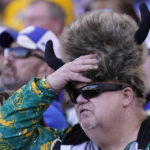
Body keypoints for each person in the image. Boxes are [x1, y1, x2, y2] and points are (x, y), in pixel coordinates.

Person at [0, 3, 150, 150]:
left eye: (91, 90)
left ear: (126, 96)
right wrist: (49, 85)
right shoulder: (66, 143)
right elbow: (5, 140)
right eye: (74, 93)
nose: (79, 99)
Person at [0, 25, 68, 130]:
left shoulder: (45, 113)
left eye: (20, 52)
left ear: (47, 69)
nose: (7, 59)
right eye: (8, 51)